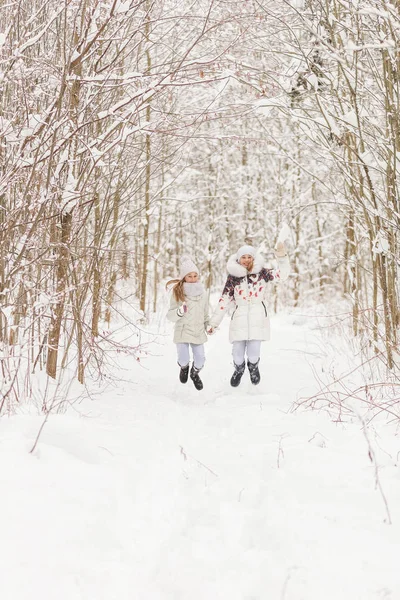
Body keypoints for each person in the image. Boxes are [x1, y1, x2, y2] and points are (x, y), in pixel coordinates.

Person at [207, 241, 289, 387]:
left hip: (258, 316)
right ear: (238, 259)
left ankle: (253, 367)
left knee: (254, 352)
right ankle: (239, 369)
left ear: (253, 258)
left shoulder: (262, 274)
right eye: (243, 257)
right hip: (239, 317)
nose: (246, 260)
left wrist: (281, 256)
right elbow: (224, 301)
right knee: (237, 353)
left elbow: (282, 274)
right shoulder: (233, 278)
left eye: (249, 257)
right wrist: (213, 323)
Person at [166, 255, 209, 391]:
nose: (193, 278)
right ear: (184, 277)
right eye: (189, 276)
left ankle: (194, 373)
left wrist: (208, 326)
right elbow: (170, 315)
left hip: (197, 332)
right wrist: (179, 311)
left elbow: (205, 314)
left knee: (201, 360)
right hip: (183, 330)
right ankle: (184, 368)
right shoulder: (178, 292)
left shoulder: (203, 293)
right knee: (184, 359)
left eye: (195, 275)